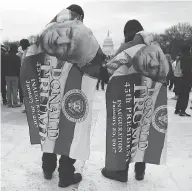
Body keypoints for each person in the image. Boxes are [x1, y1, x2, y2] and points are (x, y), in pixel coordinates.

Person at [101, 19, 169, 183]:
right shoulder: (156, 48)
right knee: (143, 129)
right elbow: (166, 71)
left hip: (128, 96)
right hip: (149, 96)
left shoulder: (128, 47)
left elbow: (109, 69)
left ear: (127, 34)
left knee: (126, 131)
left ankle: (121, 171)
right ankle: (140, 171)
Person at [41, 4, 85, 188]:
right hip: (71, 89)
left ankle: (47, 167)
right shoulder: (81, 34)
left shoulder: (47, 31)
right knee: (70, 130)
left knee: (51, 125)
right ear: (80, 17)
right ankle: (66, 174)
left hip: (50, 88)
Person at [175, 45, 192, 116]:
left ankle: (177, 109)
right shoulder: (189, 58)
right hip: (186, 79)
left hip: (179, 79)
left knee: (181, 95)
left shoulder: (180, 58)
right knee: (185, 95)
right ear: (188, 51)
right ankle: (182, 110)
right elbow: (188, 70)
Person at [19, 39, 30, 113]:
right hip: (25, 74)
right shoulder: (25, 52)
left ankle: (29, 107)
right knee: (26, 92)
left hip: (28, 74)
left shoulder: (28, 52)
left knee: (28, 92)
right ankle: (27, 107)